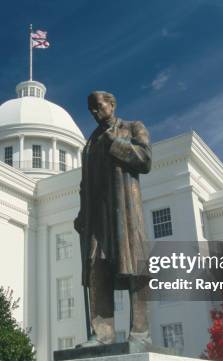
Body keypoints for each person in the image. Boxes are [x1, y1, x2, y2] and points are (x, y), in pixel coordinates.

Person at [74, 90, 152, 346]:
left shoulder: (132, 127)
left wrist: (114, 143)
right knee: (97, 267)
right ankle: (102, 334)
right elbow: (86, 183)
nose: (95, 113)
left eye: (98, 107)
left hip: (125, 209)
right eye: (91, 110)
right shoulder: (89, 144)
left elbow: (145, 159)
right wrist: (82, 214)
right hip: (97, 215)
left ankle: (140, 332)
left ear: (111, 104)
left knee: (135, 268)